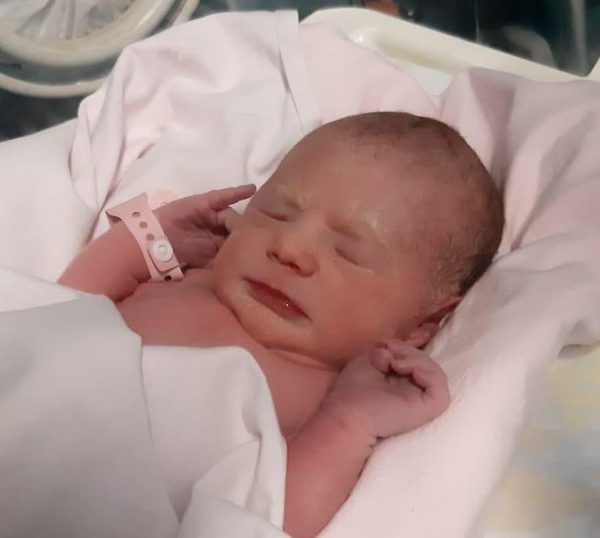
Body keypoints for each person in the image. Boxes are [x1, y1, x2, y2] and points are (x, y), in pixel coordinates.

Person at [59, 111, 504, 538]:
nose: (290, 247)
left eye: (348, 253)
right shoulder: (189, 281)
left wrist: (346, 425)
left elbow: (270, 517)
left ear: (422, 323)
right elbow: (57, 310)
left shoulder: (325, 399)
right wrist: (144, 245)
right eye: (276, 214)